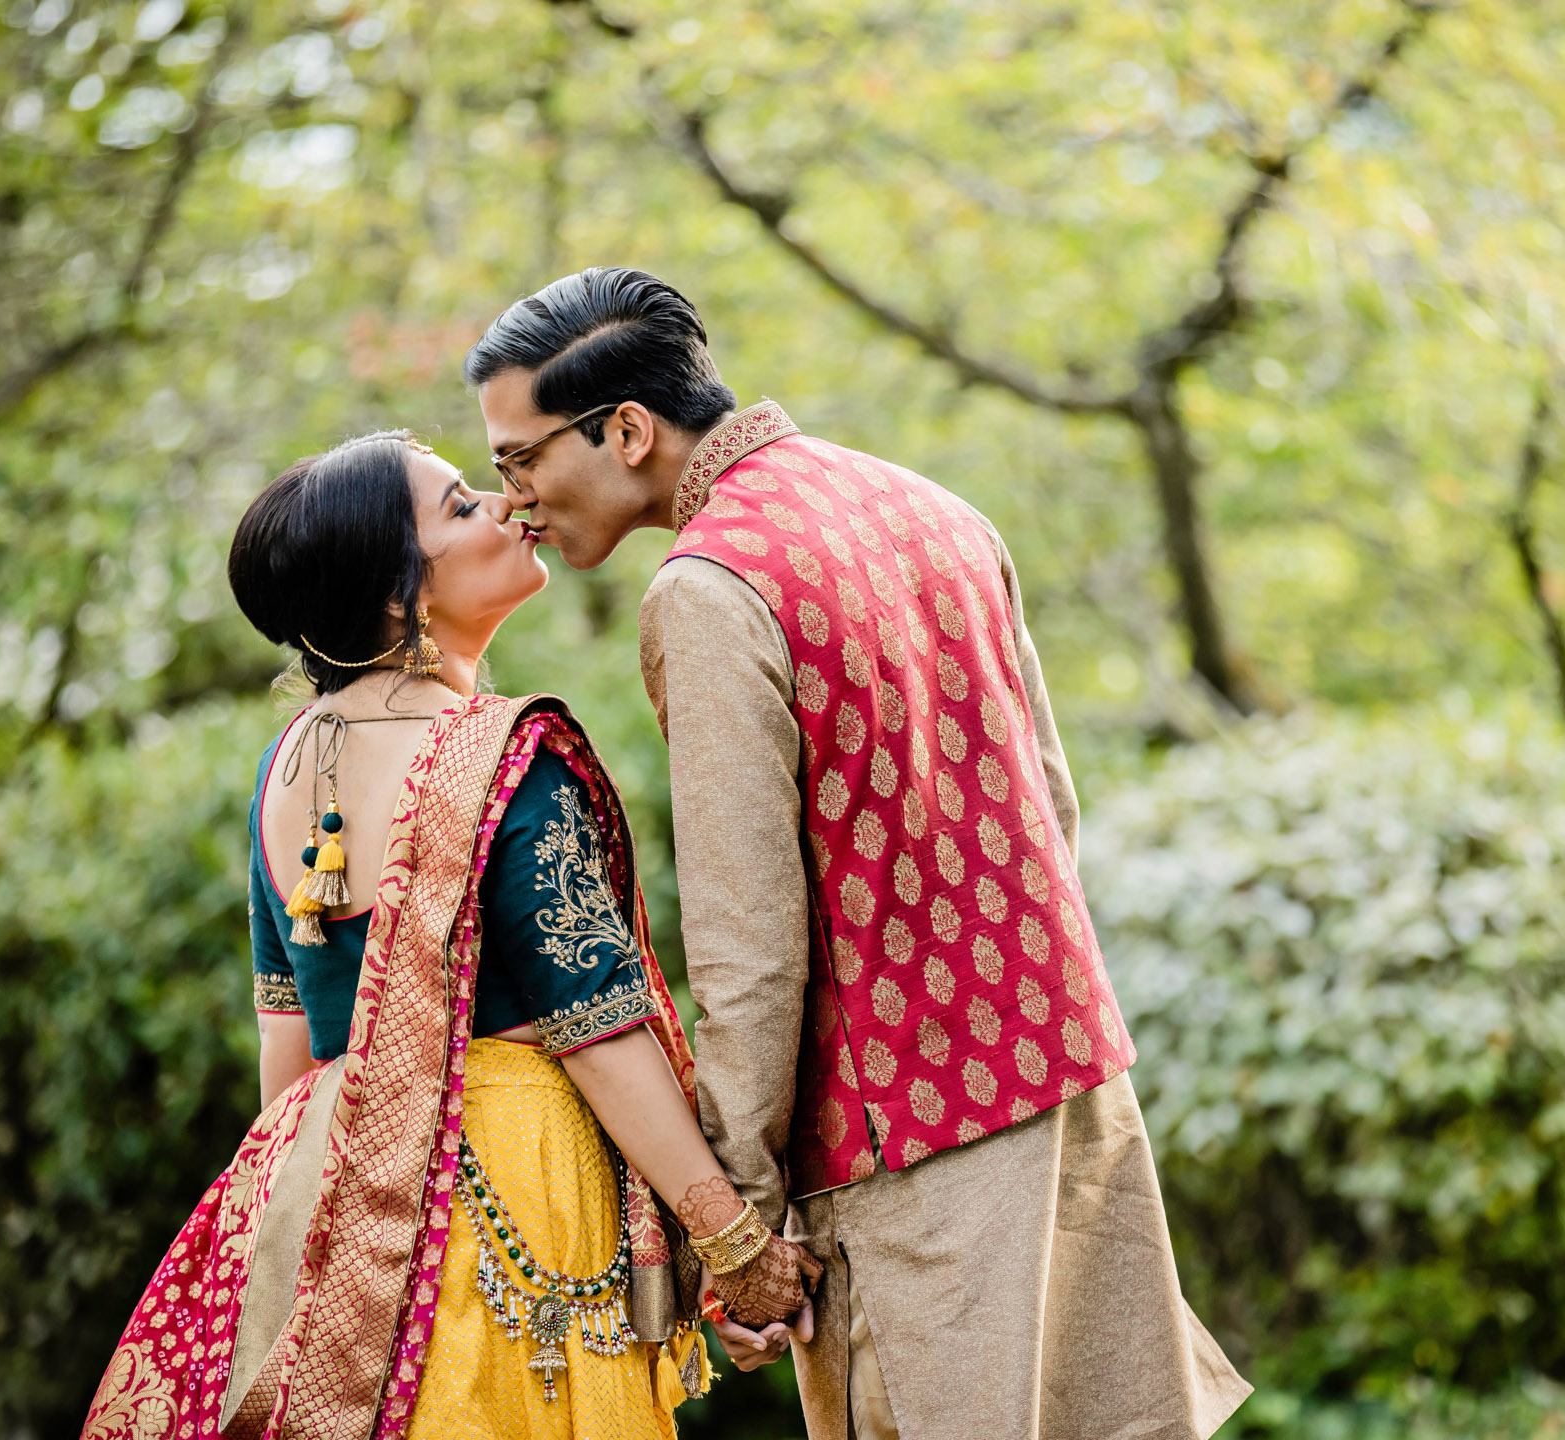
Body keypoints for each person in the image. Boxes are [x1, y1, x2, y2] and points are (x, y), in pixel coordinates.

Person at [467, 268, 1251, 1440]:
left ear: (626, 431)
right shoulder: (932, 507)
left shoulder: (710, 588)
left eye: (520, 459)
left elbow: (750, 952)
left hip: (910, 1170)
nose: (515, 499)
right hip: (1074, 1104)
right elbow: (1052, 805)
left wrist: (740, 1223)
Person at [80, 431, 818, 1440]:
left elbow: (290, 1052)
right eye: (464, 506)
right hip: (516, 1186)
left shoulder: (288, 769)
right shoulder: (506, 759)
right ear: (402, 596)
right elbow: (597, 1030)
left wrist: (315, 1256)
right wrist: (730, 1241)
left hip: (348, 1206)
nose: (507, 506)